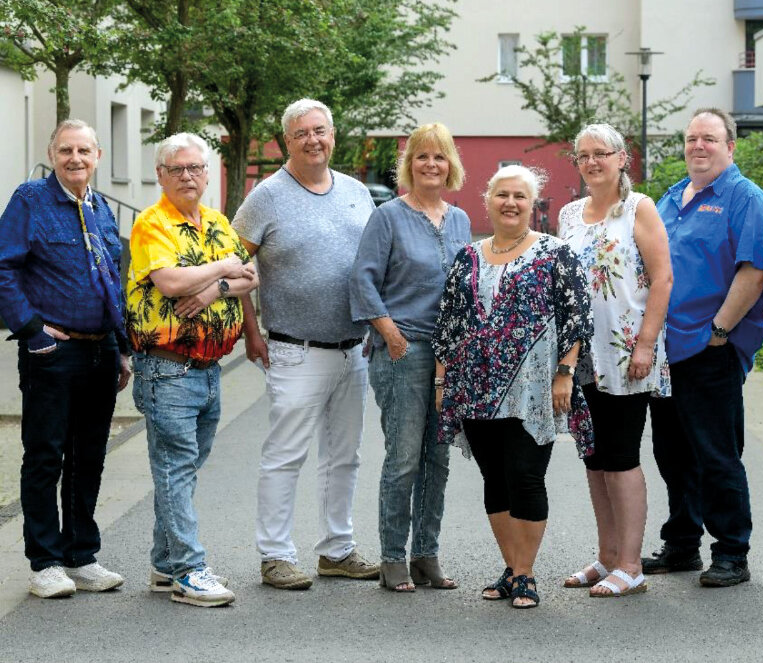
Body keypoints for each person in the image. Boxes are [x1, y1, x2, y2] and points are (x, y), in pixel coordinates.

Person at [233, 98, 380, 590]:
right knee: (285, 454)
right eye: (302, 134)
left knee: (345, 455)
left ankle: (337, 550)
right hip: (295, 348)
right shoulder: (266, 198)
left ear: (333, 135)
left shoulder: (358, 192)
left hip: (353, 348)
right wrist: (252, 332)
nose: (313, 140)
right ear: (286, 141)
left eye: (321, 131)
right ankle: (275, 555)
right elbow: (237, 269)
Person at [0, 119, 129, 598]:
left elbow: (112, 280)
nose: (75, 158)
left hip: (100, 351)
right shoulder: (30, 199)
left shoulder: (101, 206)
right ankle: (45, 562)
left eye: (84, 150)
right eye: (66, 150)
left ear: (98, 157)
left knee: (90, 458)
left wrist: (122, 347)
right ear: (52, 154)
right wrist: (30, 330)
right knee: (45, 456)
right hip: (52, 351)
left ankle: (81, 555)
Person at [433, 165, 593, 609]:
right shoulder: (467, 256)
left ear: (534, 204)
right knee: (494, 478)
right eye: (502, 194)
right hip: (474, 387)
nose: (510, 203)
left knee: (525, 475)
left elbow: (576, 316)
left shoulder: (555, 253)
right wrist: (442, 380)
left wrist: (565, 372)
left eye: (520, 196)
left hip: (533, 389)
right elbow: (449, 322)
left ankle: (526, 573)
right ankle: (512, 567)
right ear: (487, 200)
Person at [126, 133, 260, 607]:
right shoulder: (152, 223)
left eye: (195, 168)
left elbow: (251, 277)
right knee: (175, 467)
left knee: (182, 469)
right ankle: (188, 569)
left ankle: (164, 564)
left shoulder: (218, 222)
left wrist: (213, 289)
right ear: (161, 174)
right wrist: (225, 268)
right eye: (177, 168)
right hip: (167, 368)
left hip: (208, 368)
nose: (188, 176)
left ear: (207, 173)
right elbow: (169, 280)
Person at [644, 108, 763, 588]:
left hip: (710, 348)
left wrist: (719, 330)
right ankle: (682, 545)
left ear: (730, 146)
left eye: (710, 139)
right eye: (692, 138)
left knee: (717, 454)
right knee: (673, 454)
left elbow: (754, 271)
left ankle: (732, 552)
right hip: (666, 353)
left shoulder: (744, 198)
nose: (699, 146)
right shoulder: (673, 197)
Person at [350, 123, 471, 592]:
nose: (430, 165)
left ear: (450, 165)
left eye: (439, 157)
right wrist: (389, 333)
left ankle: (426, 554)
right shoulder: (388, 216)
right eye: (421, 157)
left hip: (448, 359)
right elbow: (362, 279)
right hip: (402, 350)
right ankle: (392, 557)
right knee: (403, 458)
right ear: (409, 165)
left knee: (437, 459)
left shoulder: (459, 220)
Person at [557, 124, 672, 598]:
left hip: (627, 355)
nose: (591, 162)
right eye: (583, 155)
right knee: (594, 457)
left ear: (622, 158)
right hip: (581, 356)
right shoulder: (567, 214)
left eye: (601, 154)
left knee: (622, 457)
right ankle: (606, 557)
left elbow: (662, 279)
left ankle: (631, 563)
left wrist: (646, 343)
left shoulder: (639, 209)